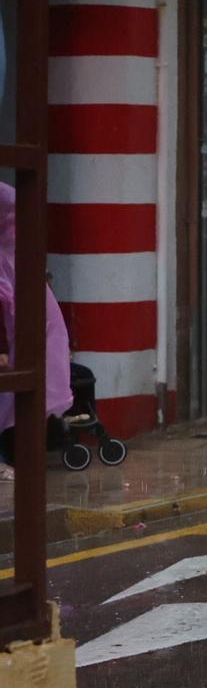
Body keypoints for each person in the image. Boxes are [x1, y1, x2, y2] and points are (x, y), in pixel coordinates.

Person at [0, 183, 77, 481]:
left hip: (31, 340)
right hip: (23, 340)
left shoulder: (15, 259)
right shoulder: (14, 260)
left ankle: (19, 455)